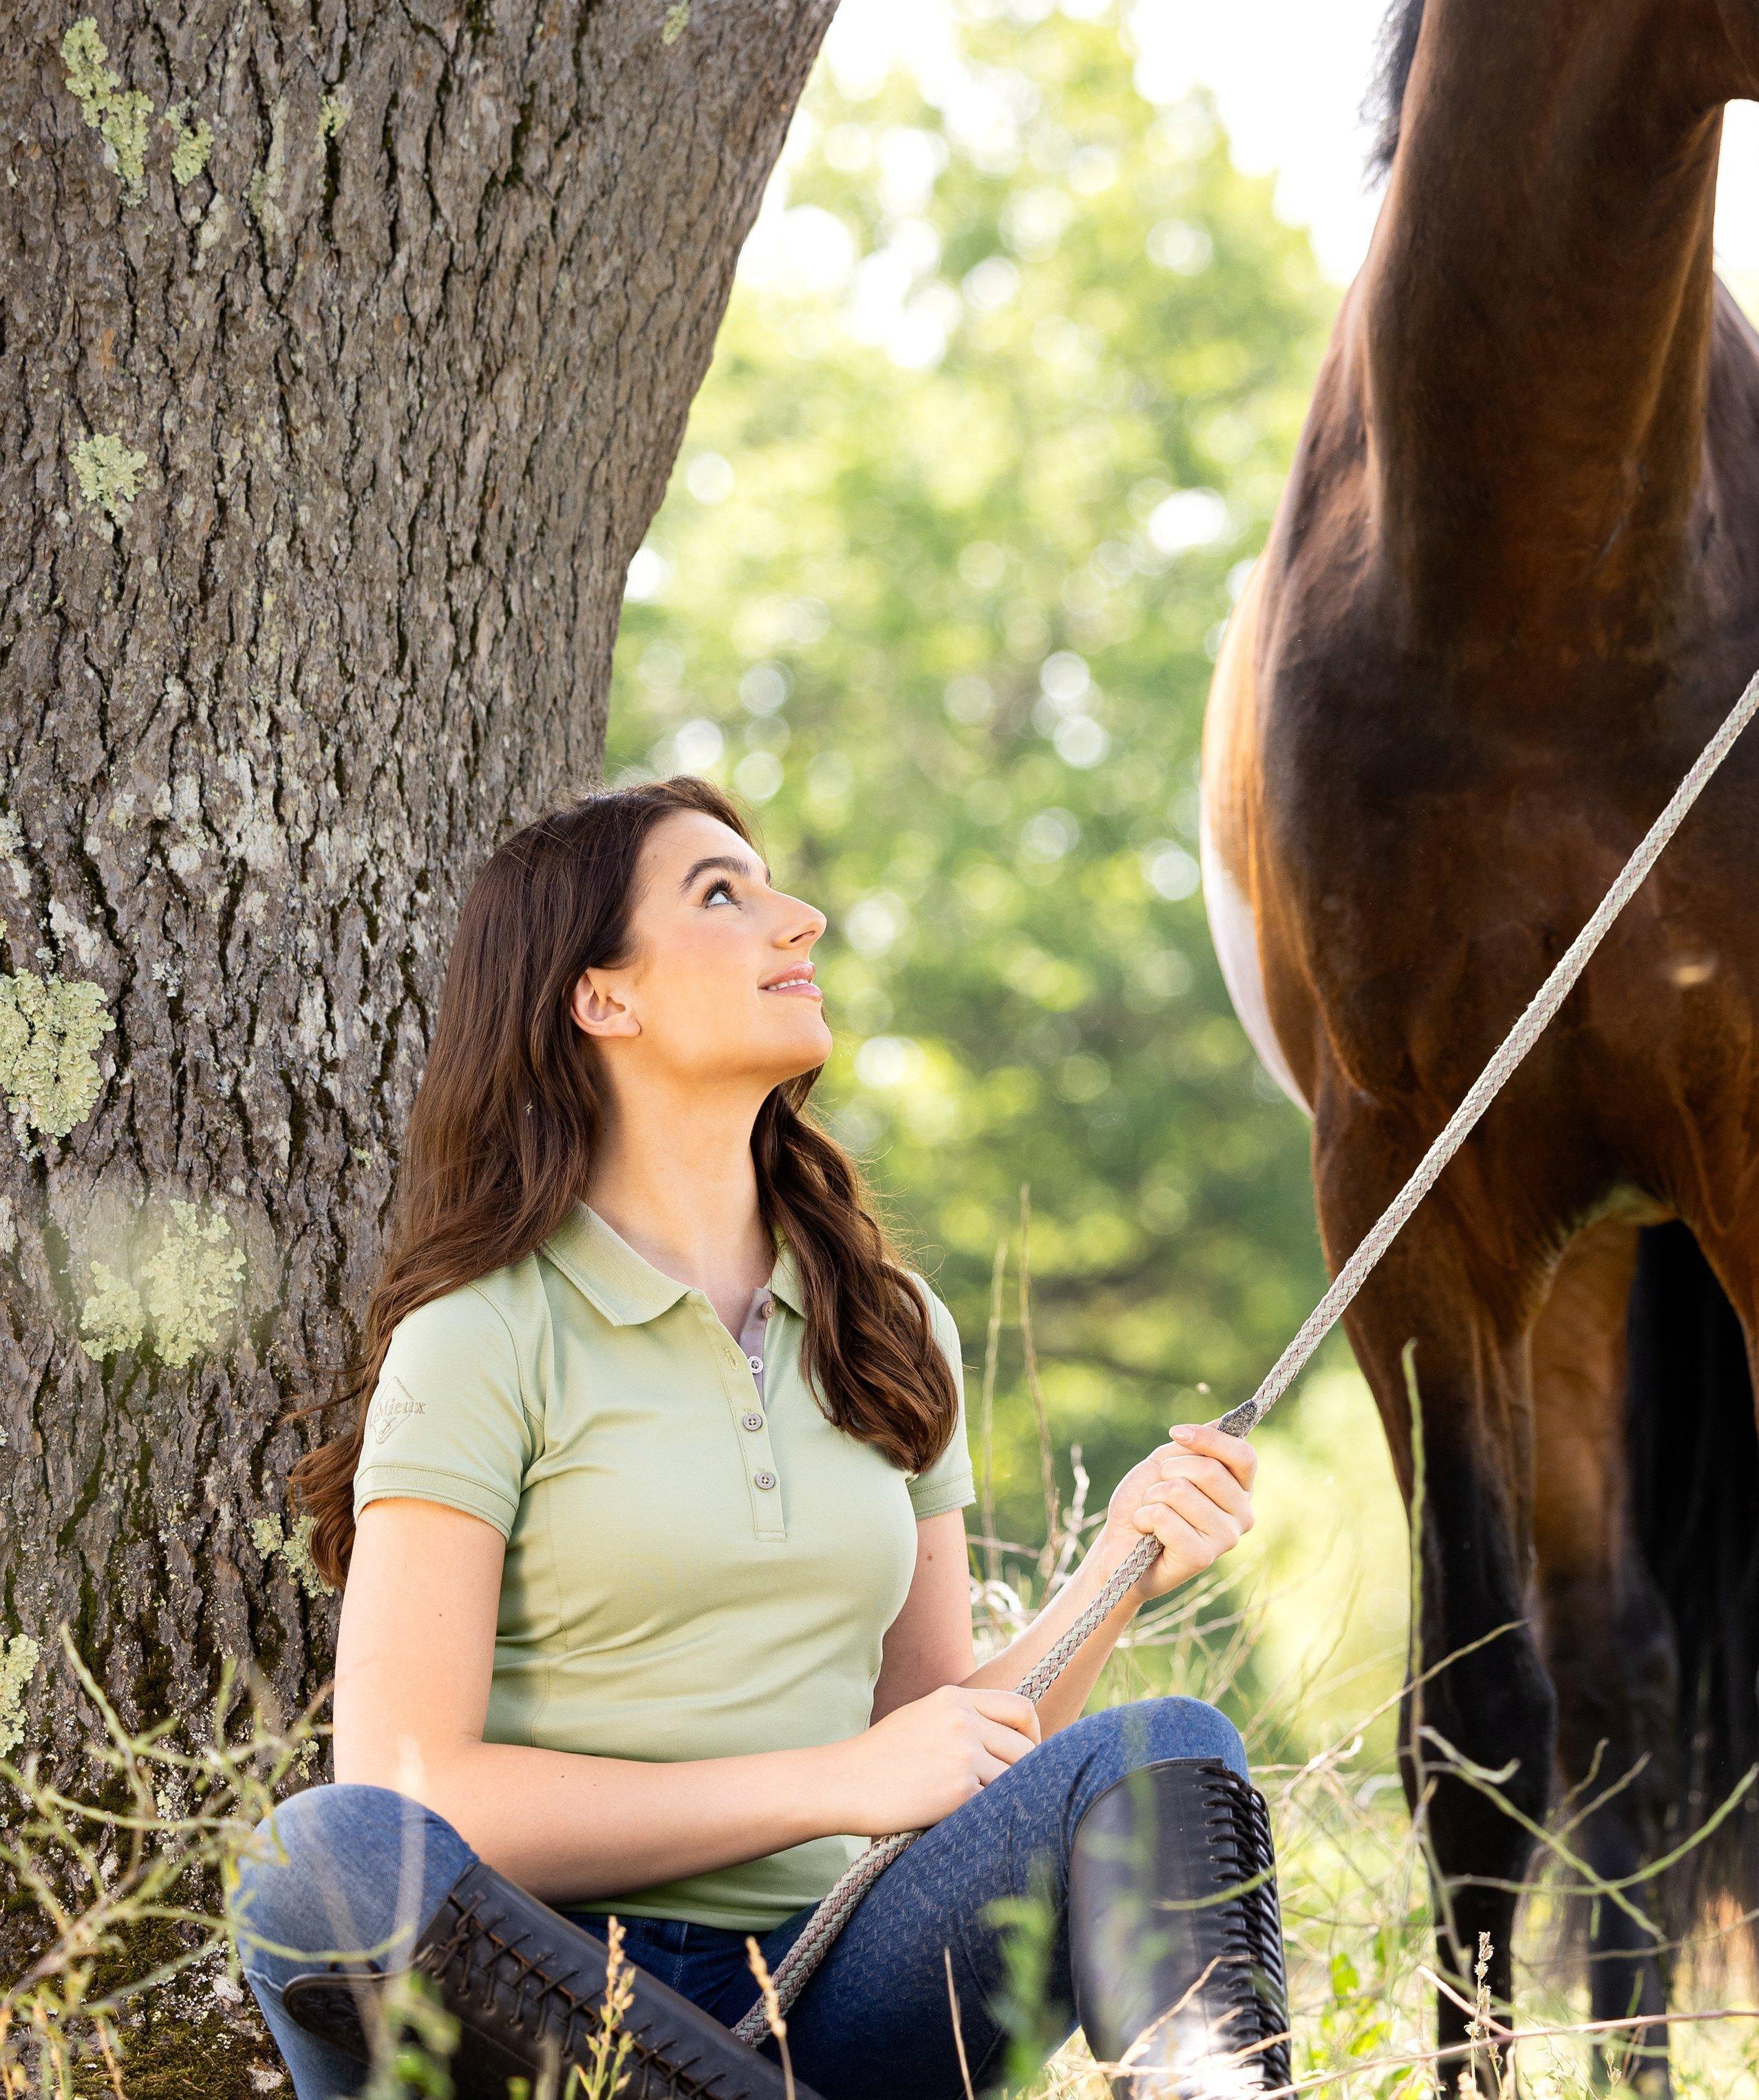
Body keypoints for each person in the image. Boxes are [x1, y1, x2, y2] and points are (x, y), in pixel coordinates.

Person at [233, 778, 1289, 2100]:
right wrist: (827, 1783)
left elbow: (935, 1744)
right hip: (532, 2012)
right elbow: (416, 1787)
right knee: (320, 1861)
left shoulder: (891, 1328)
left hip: (831, 1983)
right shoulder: (484, 1335)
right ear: (598, 997)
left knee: (1159, 1746)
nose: (803, 920)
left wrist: (1119, 1565)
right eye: (723, 894)